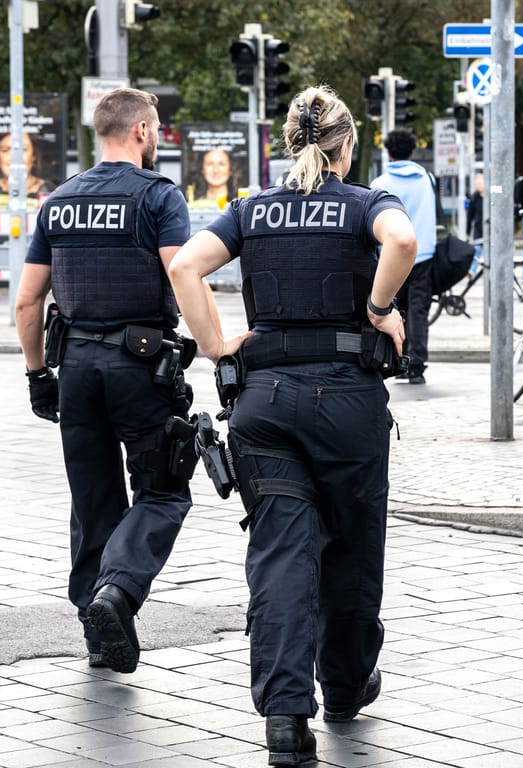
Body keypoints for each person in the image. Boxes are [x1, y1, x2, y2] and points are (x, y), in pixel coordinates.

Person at [167, 85, 416, 767]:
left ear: (289, 144)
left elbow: (185, 266)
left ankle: (284, 717)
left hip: (265, 405)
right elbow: (403, 240)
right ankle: (341, 688)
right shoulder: (367, 203)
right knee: (353, 550)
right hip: (346, 406)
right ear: (345, 146)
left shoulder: (252, 209)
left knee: (280, 555)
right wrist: (378, 307)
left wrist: (218, 348)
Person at [13, 88, 194, 676]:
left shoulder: (58, 202)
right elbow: (182, 275)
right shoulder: (158, 198)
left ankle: (97, 628)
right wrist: (217, 347)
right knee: (163, 491)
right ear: (141, 131)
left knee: (93, 500)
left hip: (77, 372)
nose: (159, 132)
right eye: (157, 125)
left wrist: (39, 374)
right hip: (140, 368)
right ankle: (116, 594)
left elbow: (27, 301)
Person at [371, 128, 436, 385]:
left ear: (388, 152)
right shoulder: (427, 179)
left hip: (390, 256)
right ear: (412, 151)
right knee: (418, 311)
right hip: (424, 254)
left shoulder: (379, 185)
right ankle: (417, 365)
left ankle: (397, 360)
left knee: (391, 307)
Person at [0, 131, 55, 209]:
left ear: (34, 155)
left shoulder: (49, 191)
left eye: (23, 149)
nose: (14, 157)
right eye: (5, 150)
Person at [466, 172, 484, 277]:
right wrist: (468, 231)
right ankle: (472, 271)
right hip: (478, 228)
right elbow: (470, 216)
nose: (478, 186)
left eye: (480, 183)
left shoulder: (491, 196)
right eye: (476, 184)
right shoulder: (474, 197)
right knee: (477, 250)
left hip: (490, 228)